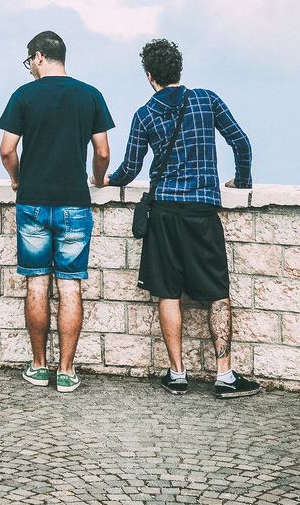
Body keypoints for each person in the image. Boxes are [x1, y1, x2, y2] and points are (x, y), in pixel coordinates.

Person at [103, 38, 260, 398]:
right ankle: (224, 375)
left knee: (168, 292)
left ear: (149, 76)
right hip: (202, 210)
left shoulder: (144, 114)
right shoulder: (206, 99)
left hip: (164, 212)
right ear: (179, 69)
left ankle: (177, 374)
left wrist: (107, 180)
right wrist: (242, 182)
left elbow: (130, 167)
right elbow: (241, 143)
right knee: (217, 292)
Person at [0, 30, 113, 394]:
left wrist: (17, 179)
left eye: (29, 61)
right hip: (75, 203)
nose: (30, 67)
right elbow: (104, 152)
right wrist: (96, 177)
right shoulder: (90, 94)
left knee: (36, 282)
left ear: (38, 57)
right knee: (70, 284)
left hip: (32, 202)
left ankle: (37, 366)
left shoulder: (24, 95)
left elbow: (6, 149)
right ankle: (66, 371)